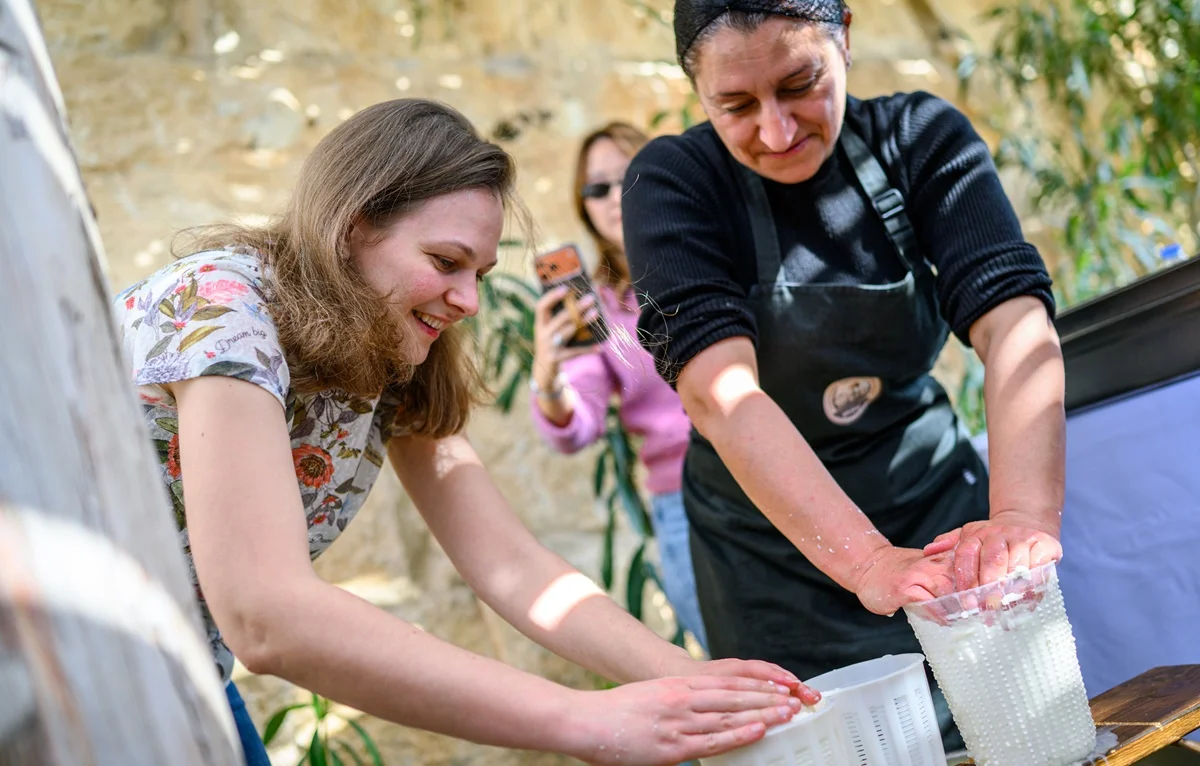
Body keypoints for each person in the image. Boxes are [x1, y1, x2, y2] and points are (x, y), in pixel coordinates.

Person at [112, 98, 820, 766]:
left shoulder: (392, 355)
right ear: (353, 227)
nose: (470, 300)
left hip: (178, 669)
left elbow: (510, 564)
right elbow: (265, 614)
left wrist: (688, 681)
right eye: (446, 263)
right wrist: (583, 720)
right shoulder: (222, 307)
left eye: (479, 272)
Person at [620, 0, 1067, 750]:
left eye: (801, 84)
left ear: (846, 40)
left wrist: (1022, 519)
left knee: (1017, 736)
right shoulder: (673, 182)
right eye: (735, 105)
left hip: (933, 514)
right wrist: (863, 561)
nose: (776, 130)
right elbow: (721, 393)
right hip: (770, 557)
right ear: (695, 89)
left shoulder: (919, 139)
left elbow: (1013, 321)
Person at [529, 121, 709, 653]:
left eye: (628, 177)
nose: (613, 197)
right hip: (685, 501)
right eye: (596, 188)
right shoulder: (599, 310)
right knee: (740, 662)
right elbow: (574, 429)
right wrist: (548, 377)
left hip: (768, 467)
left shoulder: (712, 257)